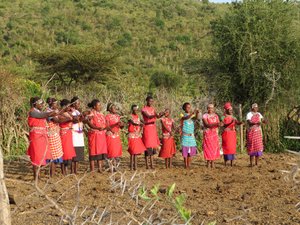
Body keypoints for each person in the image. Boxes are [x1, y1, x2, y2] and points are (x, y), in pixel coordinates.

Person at [27, 97, 56, 179]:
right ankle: (36, 176)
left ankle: (38, 175)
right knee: (36, 156)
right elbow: (41, 115)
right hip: (36, 136)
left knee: (40, 156)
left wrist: (55, 113)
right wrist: (51, 113)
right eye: (40, 103)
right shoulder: (32, 112)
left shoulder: (39, 111)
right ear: (35, 104)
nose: (42, 105)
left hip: (42, 136)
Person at [141, 96, 163, 169]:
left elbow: (157, 116)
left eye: (152, 101)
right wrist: (156, 115)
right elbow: (149, 116)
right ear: (147, 101)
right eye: (150, 101)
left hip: (153, 127)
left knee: (153, 146)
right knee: (147, 146)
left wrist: (161, 114)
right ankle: (147, 164)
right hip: (147, 127)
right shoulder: (144, 109)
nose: (151, 102)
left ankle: (152, 164)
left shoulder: (153, 109)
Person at [86, 99, 108, 172]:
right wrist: (97, 128)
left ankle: (100, 168)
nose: (100, 106)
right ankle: (92, 169)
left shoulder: (101, 114)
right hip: (94, 135)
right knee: (93, 151)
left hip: (101, 135)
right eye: (99, 105)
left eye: (100, 105)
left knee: (101, 151)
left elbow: (105, 124)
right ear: (94, 106)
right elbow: (88, 123)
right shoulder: (91, 113)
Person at [221, 102, 243, 167]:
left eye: (231, 110)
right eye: (229, 110)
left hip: (232, 134)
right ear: (226, 110)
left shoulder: (233, 117)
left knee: (232, 148)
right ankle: (225, 162)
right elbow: (223, 125)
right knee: (226, 147)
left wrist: (240, 122)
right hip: (226, 134)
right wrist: (230, 122)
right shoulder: (223, 117)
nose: (231, 111)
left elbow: (236, 122)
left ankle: (231, 163)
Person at [46, 98, 64, 177]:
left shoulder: (54, 111)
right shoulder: (48, 112)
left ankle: (52, 173)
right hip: (51, 135)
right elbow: (57, 120)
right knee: (52, 156)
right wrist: (68, 118)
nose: (57, 105)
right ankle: (51, 174)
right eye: (55, 104)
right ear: (51, 104)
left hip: (56, 134)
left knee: (56, 155)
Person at [59, 99, 76, 175]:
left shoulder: (68, 113)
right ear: (64, 106)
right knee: (64, 152)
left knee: (68, 152)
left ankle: (66, 170)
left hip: (69, 133)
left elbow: (75, 119)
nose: (69, 107)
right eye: (68, 105)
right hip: (64, 133)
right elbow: (61, 121)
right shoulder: (60, 113)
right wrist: (69, 118)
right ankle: (63, 171)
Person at [127, 105, 146, 170]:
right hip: (132, 135)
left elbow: (143, 122)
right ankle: (131, 166)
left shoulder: (138, 116)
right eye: (134, 109)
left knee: (136, 151)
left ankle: (135, 166)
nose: (136, 110)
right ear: (132, 109)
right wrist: (139, 124)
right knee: (132, 151)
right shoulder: (130, 116)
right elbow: (132, 122)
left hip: (137, 135)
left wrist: (144, 124)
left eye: (136, 109)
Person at [180, 102, 199, 169]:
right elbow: (185, 118)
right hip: (185, 135)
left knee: (190, 151)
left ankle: (189, 164)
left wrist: (197, 113)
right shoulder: (182, 115)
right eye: (187, 107)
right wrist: (192, 113)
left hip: (191, 136)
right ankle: (185, 165)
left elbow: (196, 118)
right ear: (184, 108)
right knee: (185, 151)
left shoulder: (192, 116)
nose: (189, 108)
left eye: (189, 107)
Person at [106, 103, 124, 171]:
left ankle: (116, 166)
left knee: (117, 151)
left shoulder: (117, 116)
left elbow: (121, 127)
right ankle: (110, 167)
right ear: (110, 109)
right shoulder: (107, 116)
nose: (115, 109)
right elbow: (107, 126)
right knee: (111, 151)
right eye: (114, 108)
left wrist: (122, 125)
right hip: (110, 135)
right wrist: (114, 126)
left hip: (116, 135)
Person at [202, 103, 221, 168]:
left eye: (212, 108)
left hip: (214, 134)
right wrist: (217, 124)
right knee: (208, 148)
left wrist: (220, 124)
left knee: (214, 148)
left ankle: (212, 162)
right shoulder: (205, 115)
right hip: (208, 134)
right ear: (207, 108)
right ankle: (208, 162)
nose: (210, 109)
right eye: (209, 107)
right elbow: (206, 124)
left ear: (213, 109)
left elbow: (219, 124)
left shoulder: (216, 116)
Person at [70, 97, 85, 174]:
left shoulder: (78, 112)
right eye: (77, 103)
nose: (78, 104)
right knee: (74, 151)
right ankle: (72, 170)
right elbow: (75, 120)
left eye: (79, 103)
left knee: (78, 151)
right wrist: (83, 116)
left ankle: (76, 169)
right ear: (73, 104)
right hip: (74, 133)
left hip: (79, 133)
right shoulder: (71, 111)